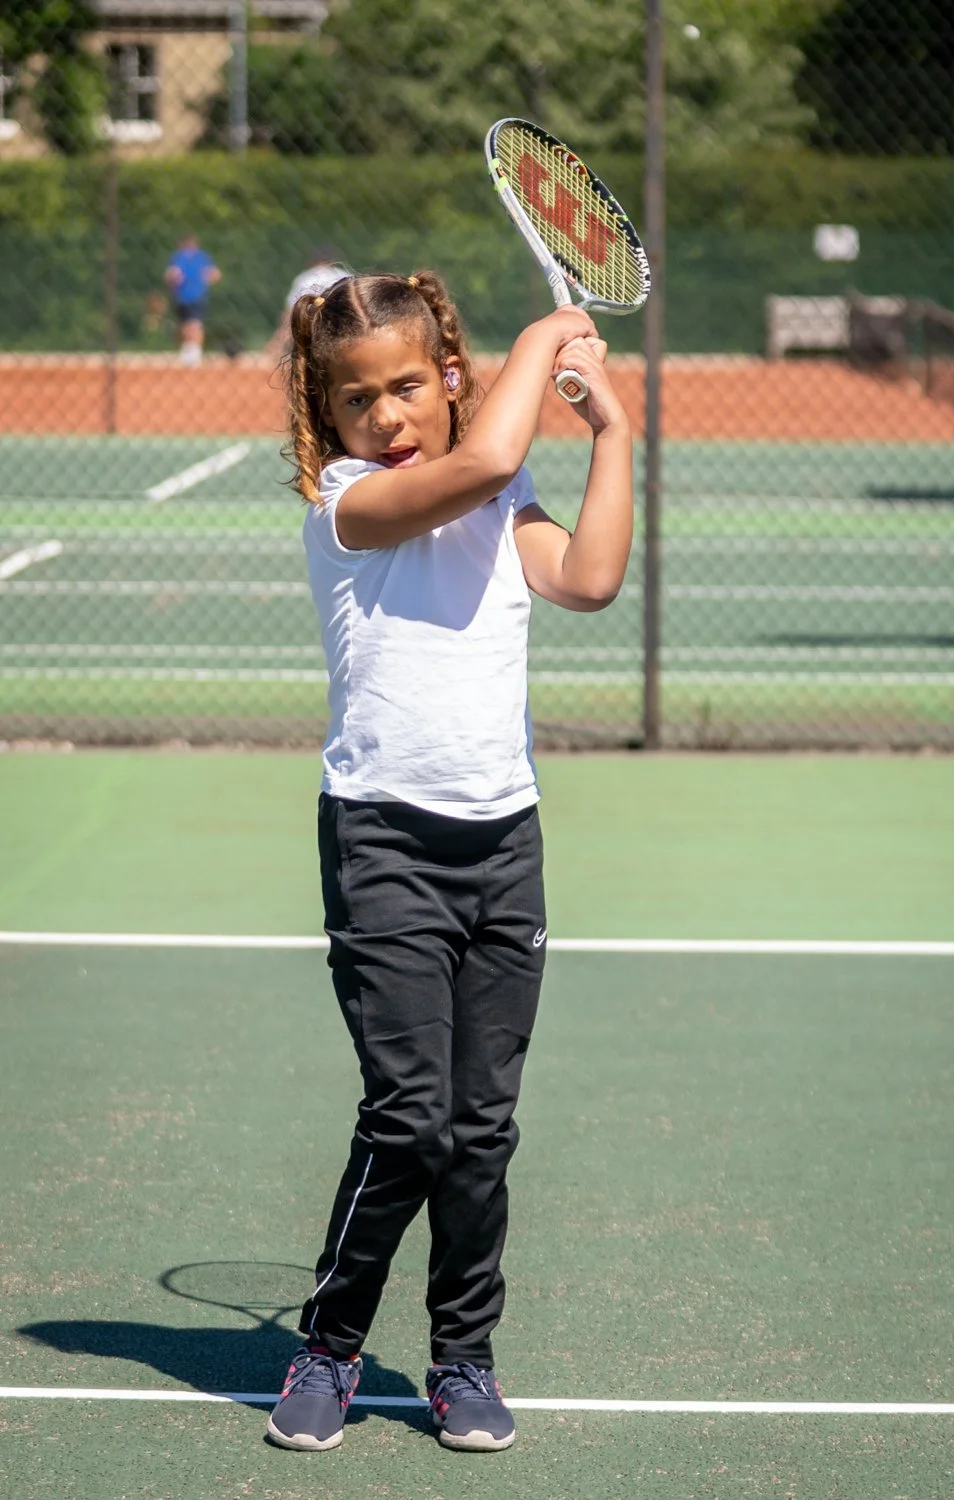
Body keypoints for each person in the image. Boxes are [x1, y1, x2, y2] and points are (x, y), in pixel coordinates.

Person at [266, 270, 633, 1456]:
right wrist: (542, 339)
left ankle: (462, 1358)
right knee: (410, 1121)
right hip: (382, 842)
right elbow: (479, 460)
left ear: (448, 377)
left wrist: (613, 433)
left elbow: (588, 580)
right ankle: (328, 1346)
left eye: (408, 386)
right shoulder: (349, 502)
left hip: (504, 845)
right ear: (327, 413)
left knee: (481, 1132)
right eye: (356, 397)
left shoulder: (500, 488)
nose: (385, 414)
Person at [265, 246, 352, 360]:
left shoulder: (306, 277)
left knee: (287, 324)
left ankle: (271, 357)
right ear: (332, 260)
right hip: (340, 320)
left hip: (309, 320)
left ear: (313, 261)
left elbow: (292, 306)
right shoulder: (343, 275)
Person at [164, 234, 221, 367]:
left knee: (194, 324)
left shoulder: (200, 257)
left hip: (196, 296)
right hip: (184, 297)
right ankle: (189, 351)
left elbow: (215, 274)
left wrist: (204, 280)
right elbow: (171, 275)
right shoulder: (180, 257)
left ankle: (194, 353)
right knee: (186, 325)